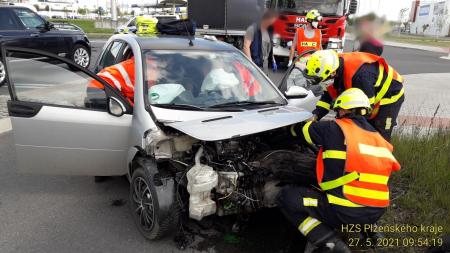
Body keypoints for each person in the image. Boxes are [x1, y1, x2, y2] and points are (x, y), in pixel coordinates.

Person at [278, 88, 401, 253]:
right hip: (376, 212)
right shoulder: (381, 140)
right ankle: (373, 232)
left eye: (338, 110)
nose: (337, 114)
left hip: (345, 213)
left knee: (287, 197)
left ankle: (330, 243)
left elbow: (300, 131)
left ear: (344, 109)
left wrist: (284, 130)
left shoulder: (332, 128)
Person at [306, 49, 404, 141]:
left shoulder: (360, 77)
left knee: (379, 132)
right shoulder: (334, 65)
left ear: (332, 73)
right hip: (371, 88)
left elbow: (365, 110)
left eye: (323, 79)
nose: (323, 82)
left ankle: (381, 156)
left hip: (390, 95)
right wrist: (316, 115)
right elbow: (328, 96)